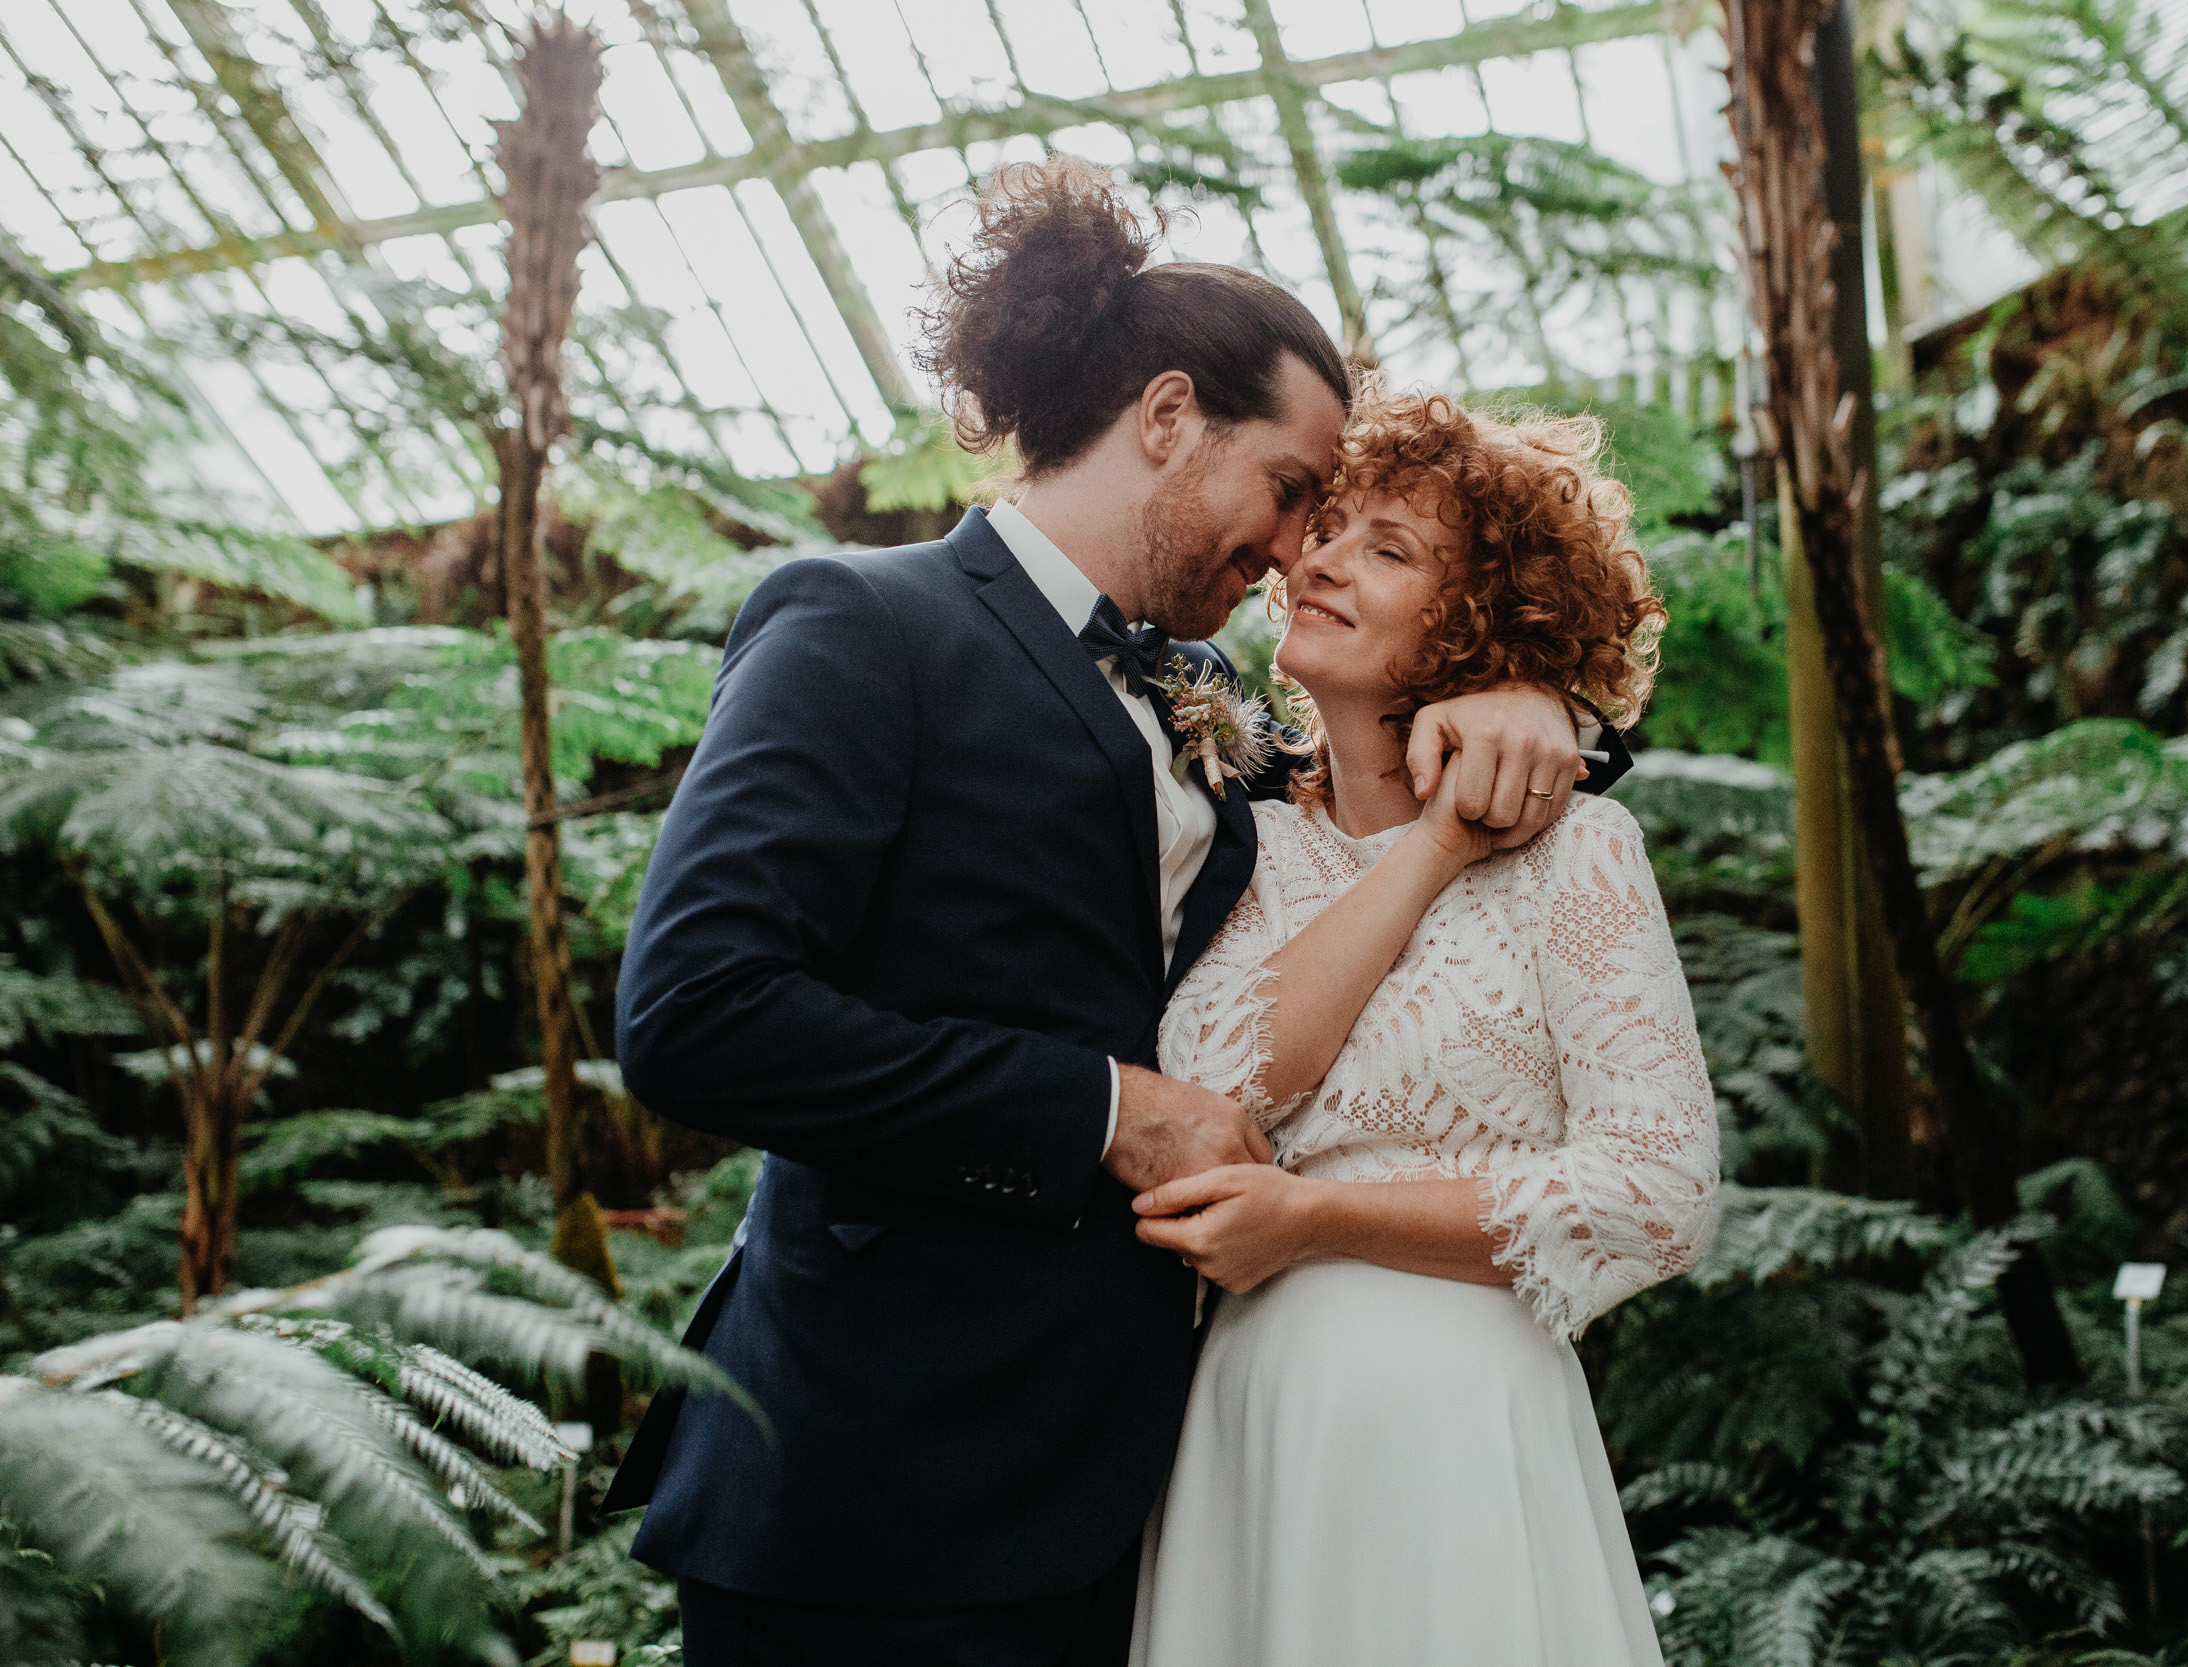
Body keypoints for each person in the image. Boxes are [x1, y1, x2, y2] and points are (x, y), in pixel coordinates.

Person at [603, 155, 1628, 1667]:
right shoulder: (861, 624)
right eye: (1290, 491)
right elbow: (694, 1013)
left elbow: (1414, 765)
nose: (1296, 552)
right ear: (1165, 417)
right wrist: (1106, 1112)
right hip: (873, 1491)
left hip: (1131, 1506)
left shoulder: (1203, 697)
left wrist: (1531, 692)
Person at [1126, 386, 1722, 1667]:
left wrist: (1322, 1217)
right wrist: (1436, 845)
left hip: (1467, 1429)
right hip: (1253, 1427)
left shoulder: (1582, 854)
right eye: (1327, 529)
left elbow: (1661, 1190)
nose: (1322, 558)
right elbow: (1220, 1089)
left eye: (1387, 548)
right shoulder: (1230, 834)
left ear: (1478, 621)